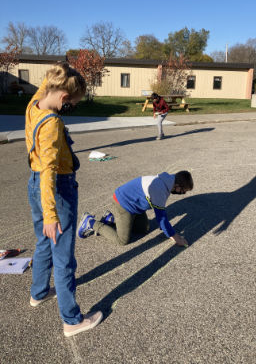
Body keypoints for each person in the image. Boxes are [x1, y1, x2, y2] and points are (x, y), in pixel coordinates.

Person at [26, 62, 102, 337]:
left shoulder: (35, 103)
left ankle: (38, 293)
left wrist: (62, 71)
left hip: (34, 184)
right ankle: (72, 320)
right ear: (64, 97)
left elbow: (49, 86)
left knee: (44, 243)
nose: (69, 110)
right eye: (71, 104)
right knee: (64, 257)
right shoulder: (52, 124)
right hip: (56, 189)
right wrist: (51, 214)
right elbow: (49, 170)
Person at [77, 171, 193, 246]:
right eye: (183, 191)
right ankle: (90, 222)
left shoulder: (169, 180)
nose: (182, 193)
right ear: (177, 186)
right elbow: (161, 218)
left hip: (136, 207)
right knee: (122, 240)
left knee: (143, 229)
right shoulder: (159, 189)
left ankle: (110, 218)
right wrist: (174, 236)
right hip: (123, 204)